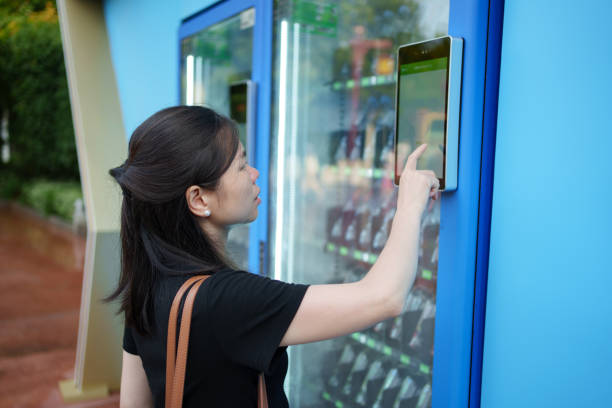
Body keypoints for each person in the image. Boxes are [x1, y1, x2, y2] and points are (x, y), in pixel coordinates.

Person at [107, 106, 439, 408]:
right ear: (198, 199)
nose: (253, 173)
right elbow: (384, 298)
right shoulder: (229, 300)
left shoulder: (148, 286)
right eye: (240, 165)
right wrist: (410, 202)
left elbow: (134, 404)